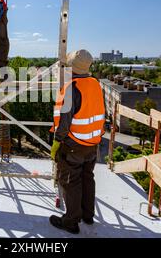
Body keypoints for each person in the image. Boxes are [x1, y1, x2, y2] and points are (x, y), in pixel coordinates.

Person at [49, 49, 106, 234]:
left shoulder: (71, 88)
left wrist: (57, 142)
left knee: (70, 181)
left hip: (74, 144)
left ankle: (71, 221)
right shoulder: (95, 84)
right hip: (92, 143)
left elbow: (64, 123)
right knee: (87, 178)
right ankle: (87, 215)